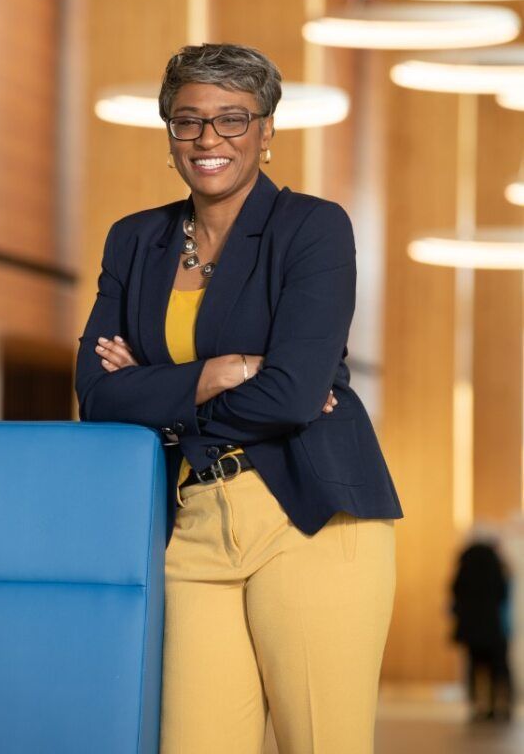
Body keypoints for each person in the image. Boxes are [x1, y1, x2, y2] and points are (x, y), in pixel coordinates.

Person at [75, 43, 403, 754]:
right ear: (168, 132)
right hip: (192, 527)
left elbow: (290, 397)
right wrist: (216, 372)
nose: (207, 140)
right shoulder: (135, 241)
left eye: (231, 119)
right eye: (188, 121)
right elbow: (97, 395)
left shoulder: (311, 228)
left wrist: (159, 396)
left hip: (310, 517)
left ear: (265, 131)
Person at [450, 535, 513, 722]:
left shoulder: (465, 563)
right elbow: (503, 594)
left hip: (471, 628)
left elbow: (455, 591)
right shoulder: (496, 564)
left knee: (476, 666)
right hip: (494, 627)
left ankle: (479, 706)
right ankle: (501, 706)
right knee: (499, 668)